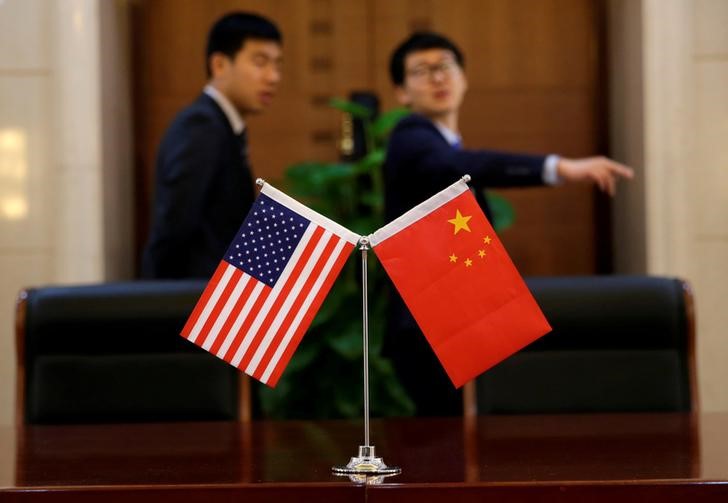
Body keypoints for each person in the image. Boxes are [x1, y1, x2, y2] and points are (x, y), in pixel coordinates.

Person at [383, 31, 634, 416]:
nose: (437, 78)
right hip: (428, 331)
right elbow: (457, 168)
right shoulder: (410, 138)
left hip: (455, 324)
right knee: (445, 452)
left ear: (464, 77)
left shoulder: (445, 143)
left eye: (446, 66)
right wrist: (557, 167)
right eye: (421, 71)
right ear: (401, 92)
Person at [142, 12, 282, 279]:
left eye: (277, 64)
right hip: (192, 303)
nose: (273, 77)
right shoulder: (201, 126)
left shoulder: (222, 126)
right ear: (219, 64)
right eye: (260, 62)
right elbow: (172, 230)